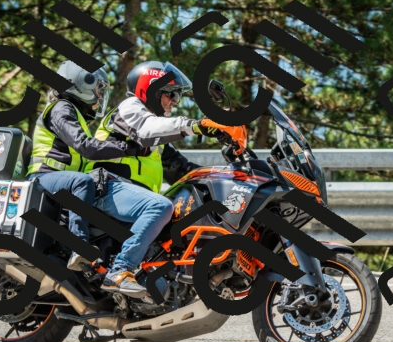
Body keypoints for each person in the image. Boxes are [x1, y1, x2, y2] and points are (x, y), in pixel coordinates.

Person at [85, 61, 246, 297]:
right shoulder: (130, 109)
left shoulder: (158, 140)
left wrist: (230, 177)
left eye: (177, 95)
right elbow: (148, 129)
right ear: (150, 90)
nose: (175, 101)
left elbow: (183, 169)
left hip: (131, 202)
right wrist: (197, 126)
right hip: (105, 188)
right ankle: (119, 271)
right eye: (171, 94)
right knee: (161, 206)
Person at [26, 60, 146, 272]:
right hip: (43, 177)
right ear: (81, 84)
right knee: (82, 182)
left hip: (60, 182)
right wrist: (126, 148)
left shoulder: (74, 113)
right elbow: (86, 147)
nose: (99, 96)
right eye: (98, 89)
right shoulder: (61, 109)